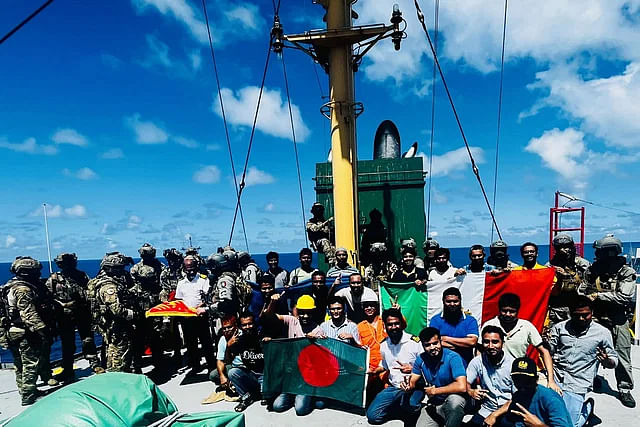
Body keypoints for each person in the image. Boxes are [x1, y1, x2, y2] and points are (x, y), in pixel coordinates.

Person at [581, 234, 635, 408]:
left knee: (622, 354)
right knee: (591, 352)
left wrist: (597, 295)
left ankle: (624, 389)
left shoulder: (626, 272)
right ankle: (592, 378)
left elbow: (623, 296)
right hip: (597, 317)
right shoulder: (594, 269)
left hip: (618, 318)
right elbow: (582, 290)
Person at [549, 296, 618, 426]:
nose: (581, 319)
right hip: (556, 378)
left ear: (592, 313)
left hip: (578, 383)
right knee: (546, 415)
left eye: (585, 315)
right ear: (570, 313)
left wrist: (607, 361)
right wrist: (547, 343)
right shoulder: (559, 328)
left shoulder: (602, 333)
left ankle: (587, 409)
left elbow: (614, 359)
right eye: (576, 315)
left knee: (569, 424)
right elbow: (550, 351)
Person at [483, 293, 561, 394]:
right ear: (499, 310)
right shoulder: (490, 325)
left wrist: (551, 381)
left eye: (511, 311)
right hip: (493, 372)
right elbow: (480, 351)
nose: (507, 314)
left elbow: (544, 351)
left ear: (517, 311)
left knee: (548, 391)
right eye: (504, 311)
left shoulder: (526, 326)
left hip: (520, 372)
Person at [3, 257, 51, 405]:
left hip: (12, 330)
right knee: (30, 364)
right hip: (25, 332)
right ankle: (29, 396)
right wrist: (43, 330)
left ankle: (25, 390)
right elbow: (29, 314)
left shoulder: (10, 285)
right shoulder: (23, 290)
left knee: (19, 364)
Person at [268, 295, 326, 416]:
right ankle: (293, 396)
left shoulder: (318, 330)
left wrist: (315, 342)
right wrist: (273, 302)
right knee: (277, 406)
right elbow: (269, 317)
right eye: (302, 313)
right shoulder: (292, 321)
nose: (305, 316)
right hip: (291, 376)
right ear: (297, 311)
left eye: (308, 313)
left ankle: (313, 394)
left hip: (306, 377)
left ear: (313, 313)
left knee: (300, 410)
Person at [46, 252, 99, 381]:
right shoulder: (54, 279)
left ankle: (95, 364)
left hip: (82, 313)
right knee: (67, 343)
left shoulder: (82, 276)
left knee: (88, 340)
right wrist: (63, 305)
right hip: (65, 317)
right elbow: (48, 297)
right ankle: (68, 369)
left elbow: (91, 291)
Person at [366, 308, 424, 425]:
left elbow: (428, 368)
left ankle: (413, 408)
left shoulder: (415, 343)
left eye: (396, 323)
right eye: (390, 325)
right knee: (373, 416)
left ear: (402, 324)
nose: (394, 327)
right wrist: (375, 370)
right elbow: (385, 365)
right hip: (394, 387)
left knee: (411, 406)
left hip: (414, 386)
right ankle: (401, 408)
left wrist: (413, 370)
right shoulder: (384, 345)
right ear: (385, 326)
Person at [405, 327, 467, 427]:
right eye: (427, 345)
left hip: (451, 399)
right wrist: (407, 385)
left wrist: (435, 391)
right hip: (434, 403)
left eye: (435, 343)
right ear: (423, 345)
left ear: (440, 341)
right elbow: (412, 381)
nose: (432, 347)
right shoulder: (421, 359)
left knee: (455, 401)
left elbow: (462, 386)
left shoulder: (453, 357)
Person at [483, 357, 572, 427]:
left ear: (536, 379)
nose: (522, 384)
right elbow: (511, 404)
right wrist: (494, 415)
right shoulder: (519, 395)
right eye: (517, 379)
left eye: (527, 380)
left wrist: (539, 426)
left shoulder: (551, 400)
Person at [92, 252, 137, 373]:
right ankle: (117, 376)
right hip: (116, 327)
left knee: (120, 352)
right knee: (118, 355)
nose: (122, 270)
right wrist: (133, 314)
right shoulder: (108, 286)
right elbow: (116, 309)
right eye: (119, 268)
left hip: (114, 326)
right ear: (110, 268)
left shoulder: (107, 281)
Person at [465, 326, 515, 425]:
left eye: (495, 342)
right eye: (486, 342)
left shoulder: (512, 364)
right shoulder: (477, 361)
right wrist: (470, 390)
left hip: (508, 410)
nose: (490, 346)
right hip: (486, 409)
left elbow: (517, 398)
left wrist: (494, 415)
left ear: (502, 343)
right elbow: (465, 382)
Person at [175, 255, 215, 374]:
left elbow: (208, 297)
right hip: (187, 319)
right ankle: (195, 365)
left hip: (201, 317)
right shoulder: (181, 283)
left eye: (192, 268)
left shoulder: (203, 280)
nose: (190, 271)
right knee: (190, 344)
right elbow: (179, 300)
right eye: (188, 269)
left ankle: (211, 365)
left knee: (206, 342)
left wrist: (200, 307)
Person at [546, 233, 590, 328]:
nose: (563, 250)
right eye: (560, 247)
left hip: (578, 306)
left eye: (566, 247)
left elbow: (590, 284)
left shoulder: (583, 264)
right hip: (558, 308)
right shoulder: (550, 266)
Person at [130, 264, 165, 376]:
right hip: (139, 323)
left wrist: (164, 322)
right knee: (137, 347)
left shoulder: (158, 290)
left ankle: (159, 366)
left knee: (157, 345)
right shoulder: (133, 292)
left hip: (154, 323)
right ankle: (136, 368)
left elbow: (164, 306)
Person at [227, 312, 265, 412]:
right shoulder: (239, 340)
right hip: (251, 375)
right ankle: (246, 397)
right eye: (244, 325)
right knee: (232, 372)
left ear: (255, 324)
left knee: (267, 399)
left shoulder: (262, 336)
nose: (247, 327)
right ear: (240, 327)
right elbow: (228, 361)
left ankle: (263, 393)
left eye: (250, 324)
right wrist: (229, 346)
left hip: (265, 375)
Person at [429, 287, 479, 364]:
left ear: (460, 301)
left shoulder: (470, 320)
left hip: (465, 366)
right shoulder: (435, 320)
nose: (452, 304)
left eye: (455, 301)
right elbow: (433, 343)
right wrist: (463, 345)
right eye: (448, 301)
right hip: (441, 366)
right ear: (443, 302)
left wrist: (445, 338)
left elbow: (472, 342)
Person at [357, 293, 388, 403]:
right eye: (366, 306)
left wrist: (397, 313)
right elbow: (359, 349)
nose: (368, 308)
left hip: (386, 363)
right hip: (370, 366)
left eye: (371, 305)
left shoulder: (385, 321)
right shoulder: (360, 326)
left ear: (376, 306)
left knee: (388, 389)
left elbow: (402, 325)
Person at [159, 248, 184, 364]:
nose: (172, 262)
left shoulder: (185, 271)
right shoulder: (165, 273)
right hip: (171, 304)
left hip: (185, 303)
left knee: (189, 329)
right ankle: (177, 351)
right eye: (170, 260)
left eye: (174, 260)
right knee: (171, 330)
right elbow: (164, 289)